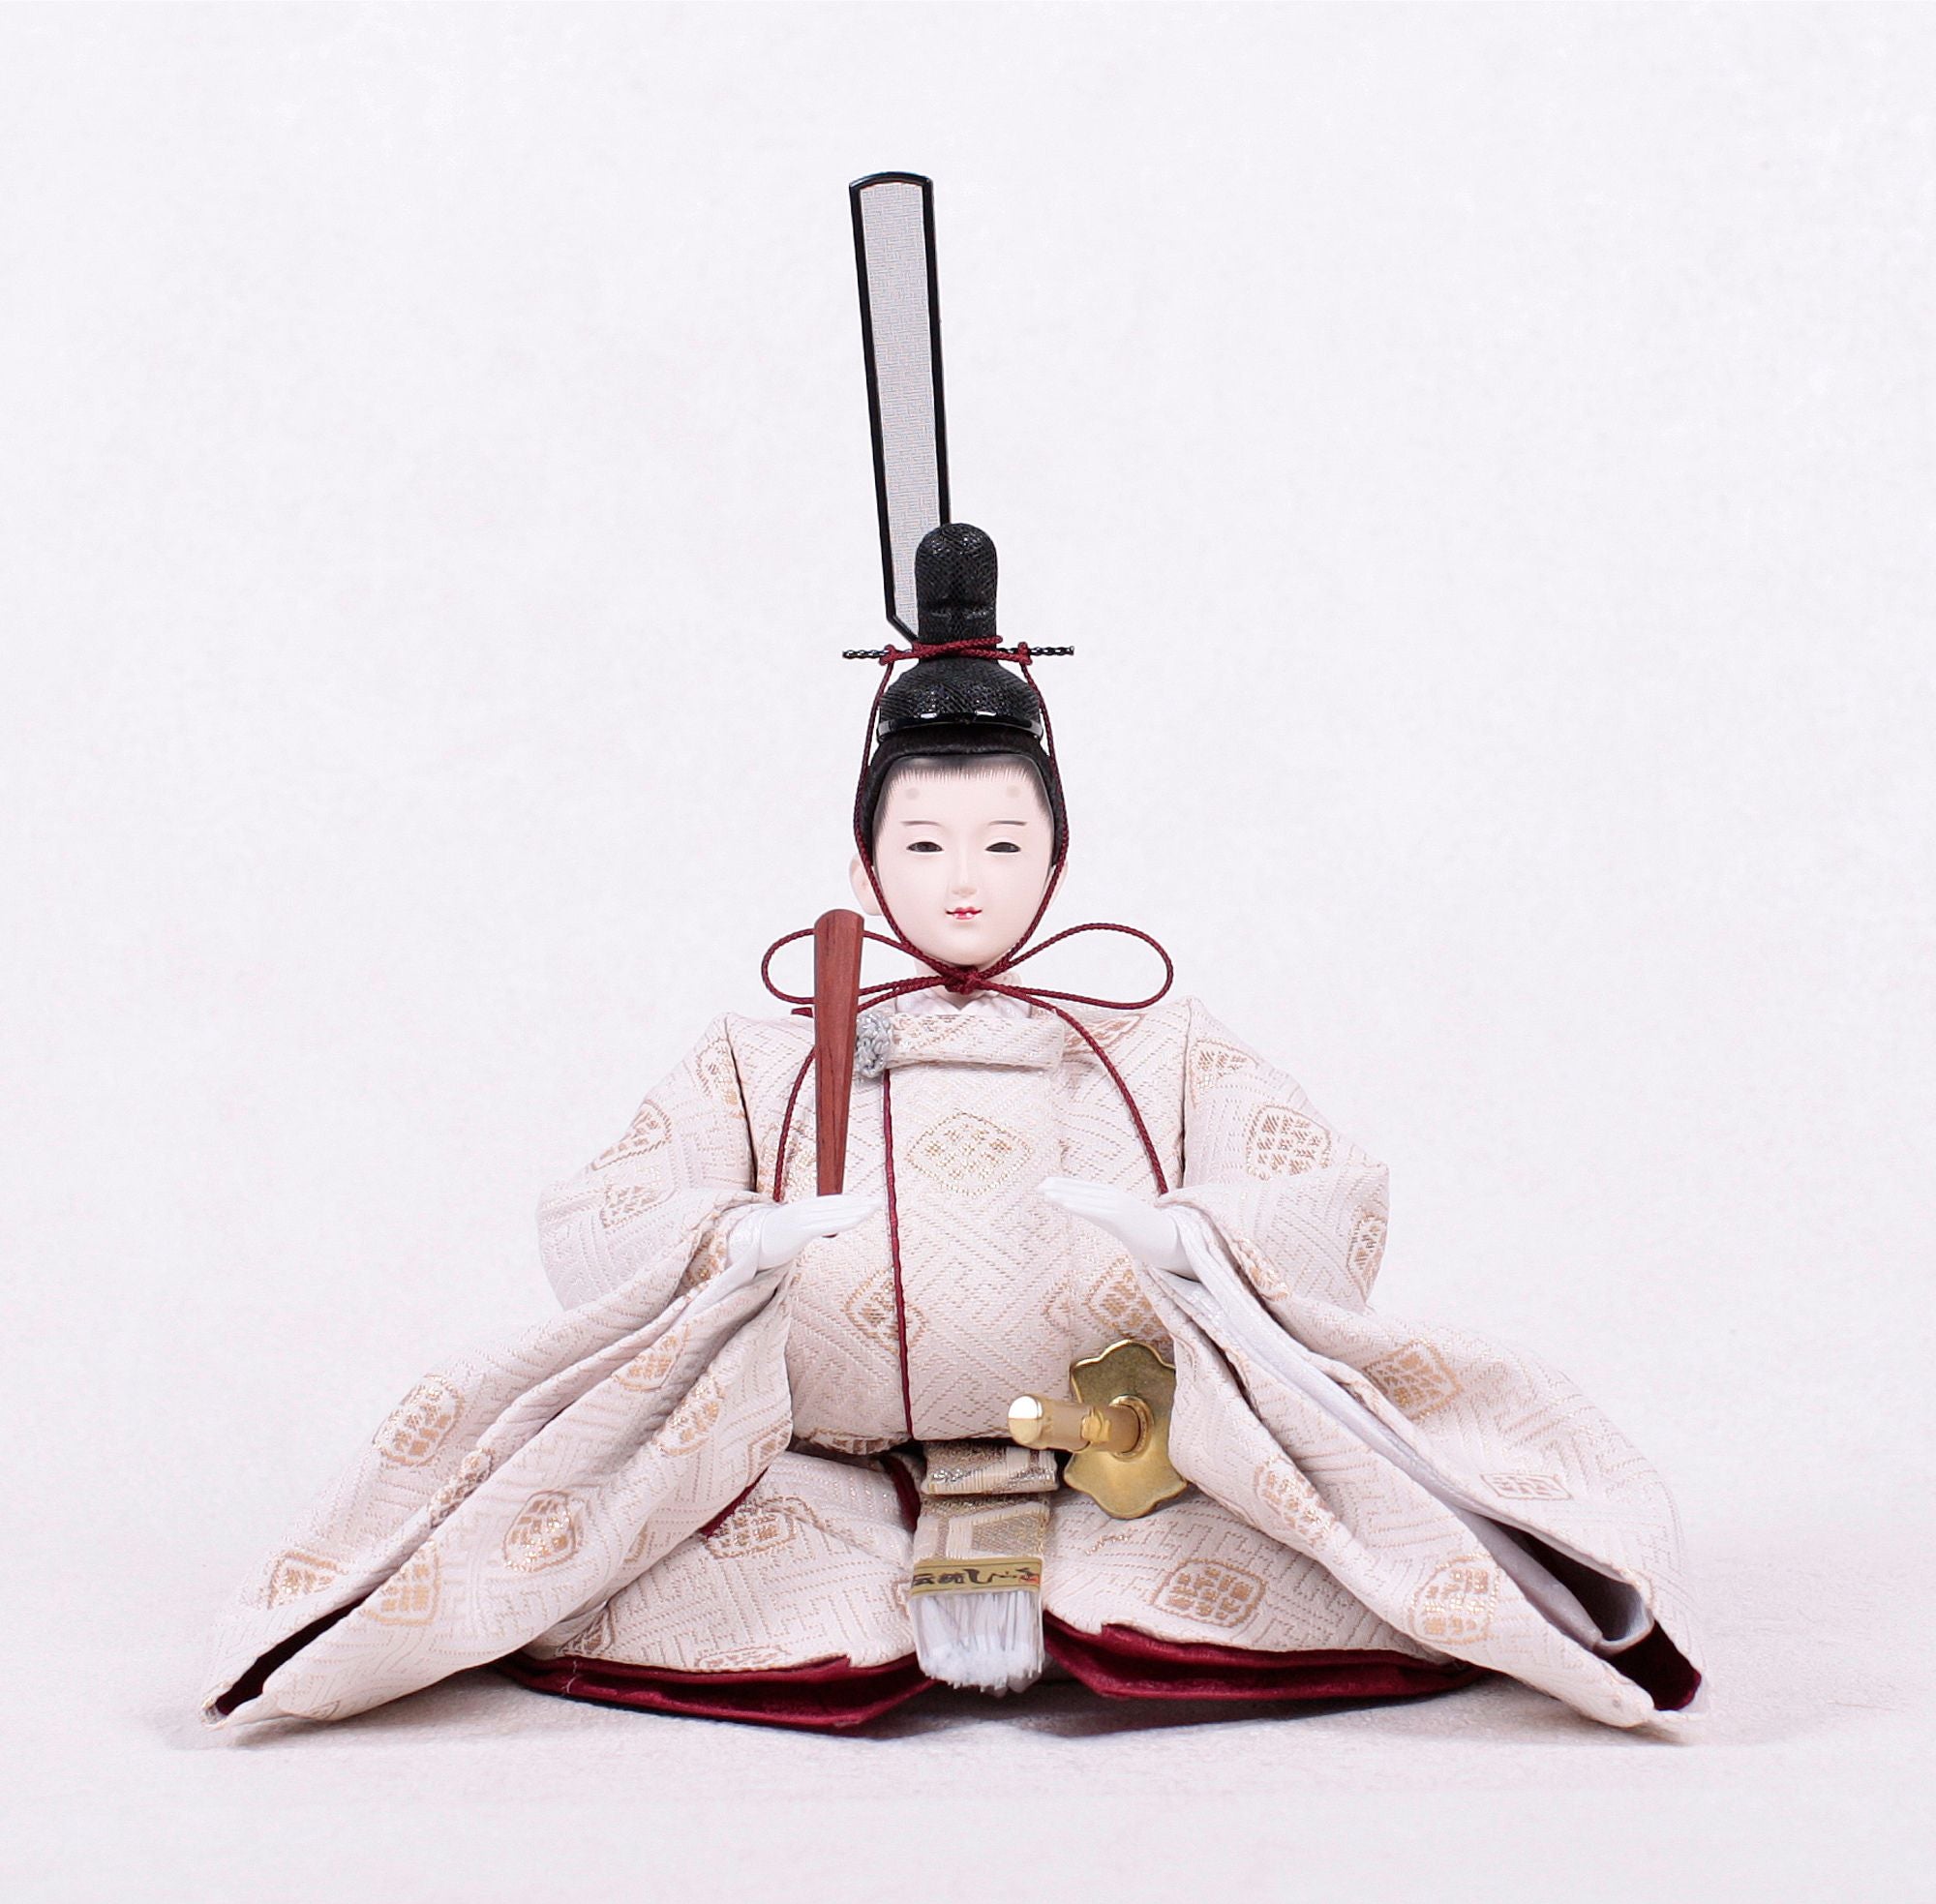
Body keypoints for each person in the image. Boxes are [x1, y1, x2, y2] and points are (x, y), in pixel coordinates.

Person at [202, 527, 1701, 1735]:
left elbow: (1325, 1188)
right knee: (644, 1558)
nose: (963, 878)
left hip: (1137, 1472)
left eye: (1002, 840)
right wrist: (733, 1240)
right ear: (866, 857)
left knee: (1316, 1545)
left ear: (1059, 855)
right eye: (922, 842)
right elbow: (605, 1204)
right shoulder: (766, 1054)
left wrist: (1195, 1237)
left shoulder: (1156, 1043)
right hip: (813, 1471)